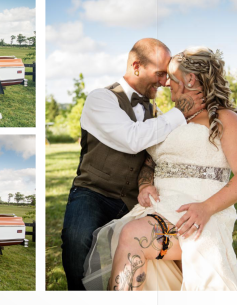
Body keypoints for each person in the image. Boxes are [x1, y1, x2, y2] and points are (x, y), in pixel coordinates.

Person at [82, 47, 237, 291]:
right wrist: (144, 183)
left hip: (197, 213)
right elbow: (151, 160)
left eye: (171, 78)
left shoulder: (226, 120)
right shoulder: (172, 118)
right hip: (160, 207)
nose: (165, 84)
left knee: (132, 236)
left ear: (190, 79)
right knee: (127, 236)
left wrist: (206, 208)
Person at [60, 38, 204, 290]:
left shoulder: (157, 111)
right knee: (77, 243)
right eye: (159, 74)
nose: (164, 82)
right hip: (94, 193)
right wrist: (181, 112)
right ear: (136, 66)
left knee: (138, 254)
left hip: (135, 201)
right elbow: (132, 139)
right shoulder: (101, 99)